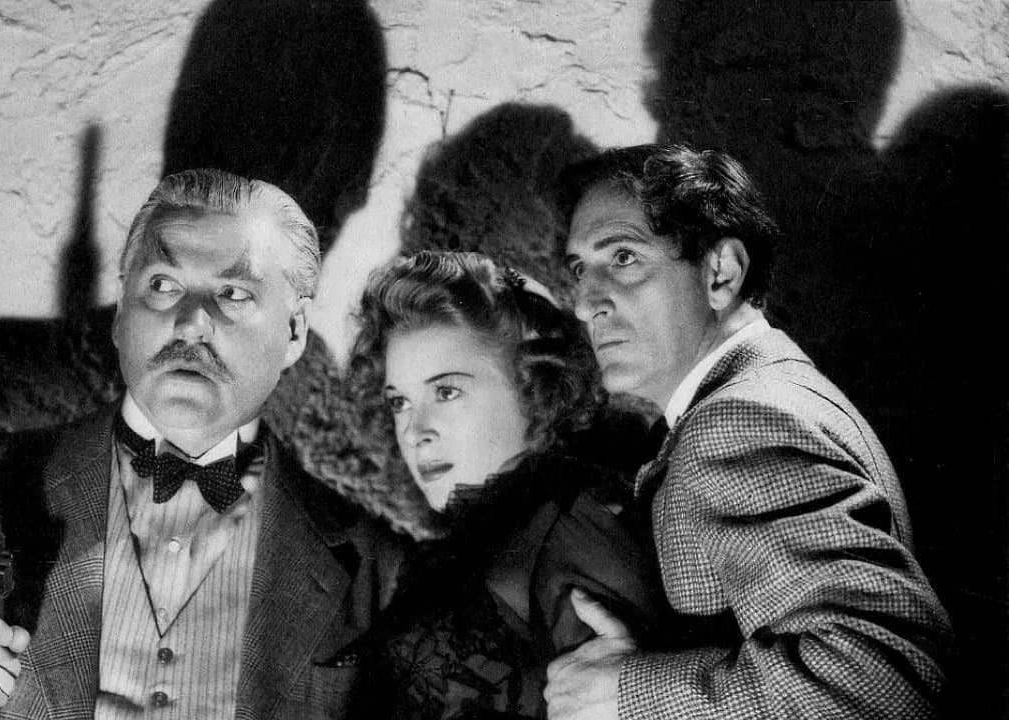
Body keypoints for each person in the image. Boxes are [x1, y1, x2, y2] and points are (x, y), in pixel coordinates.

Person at [0, 168, 403, 719]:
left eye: (232, 293)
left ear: (294, 331)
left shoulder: (377, 570)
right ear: (122, 312)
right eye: (163, 285)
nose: (190, 323)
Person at [547, 144, 952, 719]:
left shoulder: (738, 421)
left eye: (624, 257)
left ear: (722, 272)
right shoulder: (764, 394)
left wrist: (631, 693)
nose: (586, 303)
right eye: (579, 269)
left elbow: (883, 680)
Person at [347, 251, 667, 719]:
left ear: (532, 387)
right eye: (400, 402)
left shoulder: (573, 532)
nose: (416, 432)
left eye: (446, 392)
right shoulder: (489, 535)